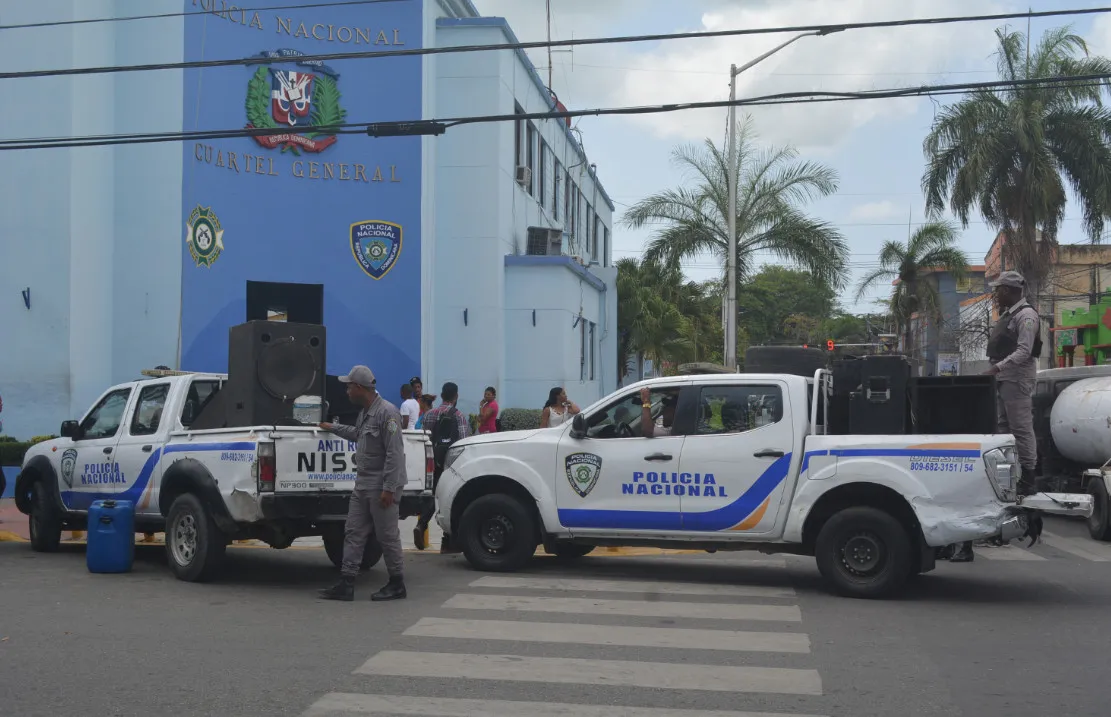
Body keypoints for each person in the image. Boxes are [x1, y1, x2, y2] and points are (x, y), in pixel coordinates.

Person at [315, 365, 408, 602]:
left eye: (349, 387)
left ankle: (397, 583)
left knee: (387, 536)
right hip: (363, 483)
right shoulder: (366, 412)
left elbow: (395, 453)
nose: (346, 391)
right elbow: (358, 434)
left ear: (358, 387)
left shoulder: (388, 413)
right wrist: (333, 427)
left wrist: (389, 488)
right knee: (353, 531)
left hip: (381, 485)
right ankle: (347, 582)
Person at [413, 382, 471, 551]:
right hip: (451, 465)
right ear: (456, 396)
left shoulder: (429, 414)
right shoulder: (459, 416)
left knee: (432, 495)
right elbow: (463, 441)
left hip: (432, 463)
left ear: (442, 395)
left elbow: (423, 439)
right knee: (451, 499)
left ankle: (422, 524)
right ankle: (447, 542)